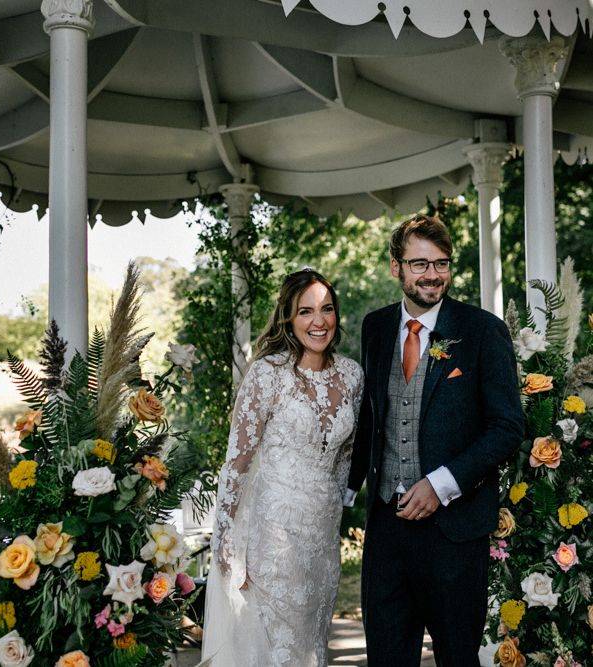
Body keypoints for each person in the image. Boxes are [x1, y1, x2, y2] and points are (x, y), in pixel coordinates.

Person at [346, 215, 524, 666]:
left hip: (455, 533)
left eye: (441, 263)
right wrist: (343, 493)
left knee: (457, 660)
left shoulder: (483, 330)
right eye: (420, 263)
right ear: (396, 268)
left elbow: (506, 427)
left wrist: (442, 483)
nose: (432, 275)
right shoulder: (376, 328)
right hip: (386, 528)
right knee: (386, 659)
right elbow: (371, 416)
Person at [200, 269, 364, 667]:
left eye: (327, 309)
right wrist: (225, 541)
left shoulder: (352, 375)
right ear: (288, 318)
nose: (319, 321)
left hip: (323, 539)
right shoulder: (268, 374)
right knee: (276, 649)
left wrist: (338, 509)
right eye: (305, 311)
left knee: (312, 645)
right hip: (273, 535)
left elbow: (345, 457)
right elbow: (237, 462)